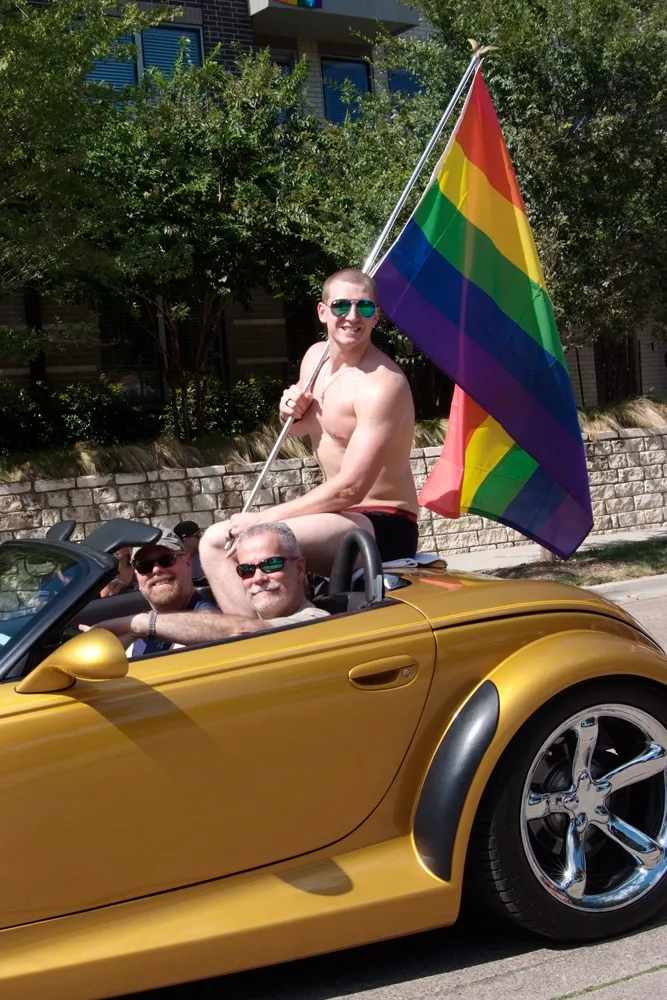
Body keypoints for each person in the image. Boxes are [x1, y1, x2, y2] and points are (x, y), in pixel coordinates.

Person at [200, 268, 418, 616]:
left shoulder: (381, 384)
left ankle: (250, 635)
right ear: (322, 311)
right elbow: (301, 429)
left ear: (376, 316)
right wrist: (288, 410)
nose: (352, 316)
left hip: (380, 522)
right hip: (336, 516)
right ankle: (268, 628)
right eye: (341, 305)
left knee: (226, 543)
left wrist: (262, 519)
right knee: (219, 541)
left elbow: (350, 489)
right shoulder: (315, 359)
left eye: (363, 307)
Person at [83, 522, 328, 655]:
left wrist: (136, 624)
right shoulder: (242, 617)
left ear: (299, 568)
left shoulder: (316, 620)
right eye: (246, 570)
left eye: (272, 564)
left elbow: (243, 631)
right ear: (136, 574)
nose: (258, 578)